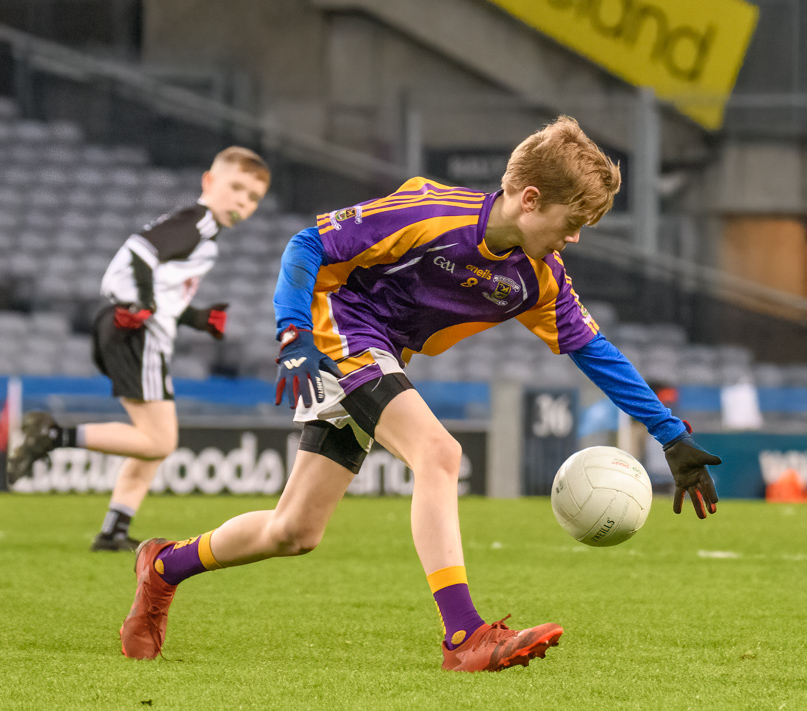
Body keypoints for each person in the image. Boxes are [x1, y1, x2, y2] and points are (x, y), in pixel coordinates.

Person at [117, 116, 721, 672]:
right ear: (530, 199)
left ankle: (163, 566)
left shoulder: (538, 278)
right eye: (572, 224)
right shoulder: (432, 210)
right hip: (338, 324)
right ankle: (464, 637)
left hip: (379, 352)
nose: (574, 240)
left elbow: (596, 352)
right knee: (440, 453)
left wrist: (672, 435)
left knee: (293, 532)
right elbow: (307, 245)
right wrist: (293, 332)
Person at [6, 146, 270, 551]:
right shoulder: (198, 221)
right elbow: (141, 250)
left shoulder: (205, 235)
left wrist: (196, 318)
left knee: (153, 441)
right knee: (161, 441)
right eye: (235, 188)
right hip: (136, 331)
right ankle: (53, 434)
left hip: (128, 326)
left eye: (252, 197)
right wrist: (144, 303)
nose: (242, 201)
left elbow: (161, 286)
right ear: (208, 182)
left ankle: (114, 529)